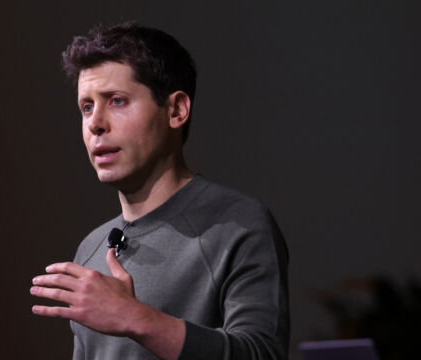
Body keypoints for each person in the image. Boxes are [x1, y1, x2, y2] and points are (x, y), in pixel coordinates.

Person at [30, 22, 289, 360]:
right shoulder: (91, 251)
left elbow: (262, 354)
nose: (95, 123)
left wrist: (136, 319)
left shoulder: (237, 225)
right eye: (87, 107)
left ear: (176, 110)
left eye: (118, 101)